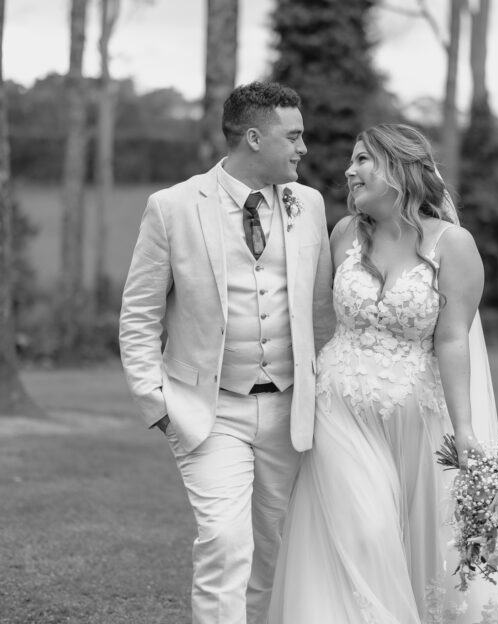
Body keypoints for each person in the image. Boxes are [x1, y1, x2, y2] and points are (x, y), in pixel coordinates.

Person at [268, 123, 498, 623]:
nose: (348, 171)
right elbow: (316, 319)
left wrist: (465, 430)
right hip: (338, 409)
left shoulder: (454, 245)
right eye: (351, 161)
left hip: (415, 414)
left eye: (362, 161)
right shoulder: (343, 235)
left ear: (399, 169)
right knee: (365, 530)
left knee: (417, 546)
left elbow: (451, 337)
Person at [118, 81, 335, 624]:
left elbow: (321, 309)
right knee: (222, 541)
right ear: (255, 138)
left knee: (275, 549)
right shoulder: (171, 208)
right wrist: (159, 404)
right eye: (295, 136)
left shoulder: (308, 204)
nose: (304, 148)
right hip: (210, 410)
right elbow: (139, 315)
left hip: (292, 409)